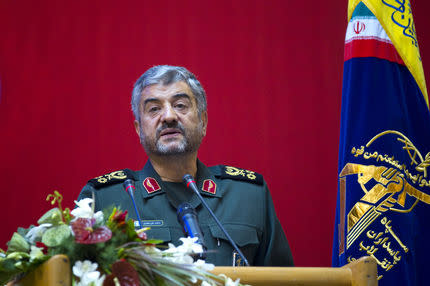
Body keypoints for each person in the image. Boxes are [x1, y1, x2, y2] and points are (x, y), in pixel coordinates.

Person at [78, 65, 294, 266]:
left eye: (180, 105)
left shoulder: (247, 196)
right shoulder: (104, 200)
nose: (169, 116)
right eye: (154, 109)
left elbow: (283, 279)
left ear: (204, 122)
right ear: (139, 129)